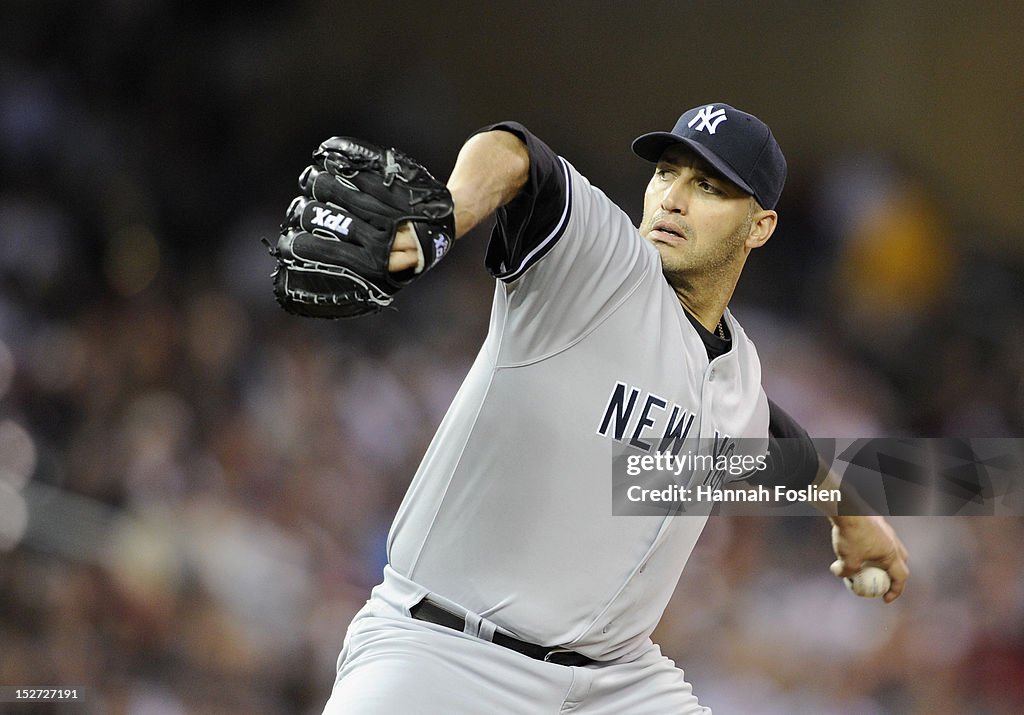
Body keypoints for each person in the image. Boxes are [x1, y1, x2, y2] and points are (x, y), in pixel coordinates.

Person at [321, 103, 910, 714]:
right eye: (666, 174)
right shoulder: (602, 265)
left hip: (614, 686)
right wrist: (447, 212)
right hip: (443, 653)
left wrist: (853, 514)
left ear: (758, 228)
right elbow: (516, 152)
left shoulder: (738, 366)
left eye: (707, 187)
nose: (672, 200)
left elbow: (773, 435)